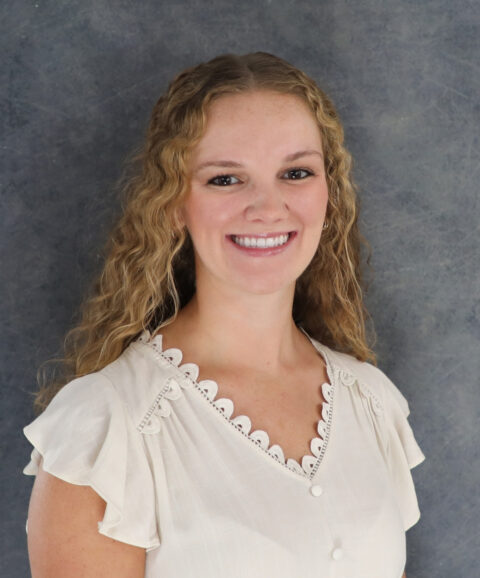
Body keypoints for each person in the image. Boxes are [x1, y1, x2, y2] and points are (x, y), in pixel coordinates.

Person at [24, 52, 424, 578]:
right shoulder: (108, 426)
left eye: (296, 172)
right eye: (225, 179)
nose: (268, 207)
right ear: (173, 202)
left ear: (329, 195)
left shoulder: (372, 403)